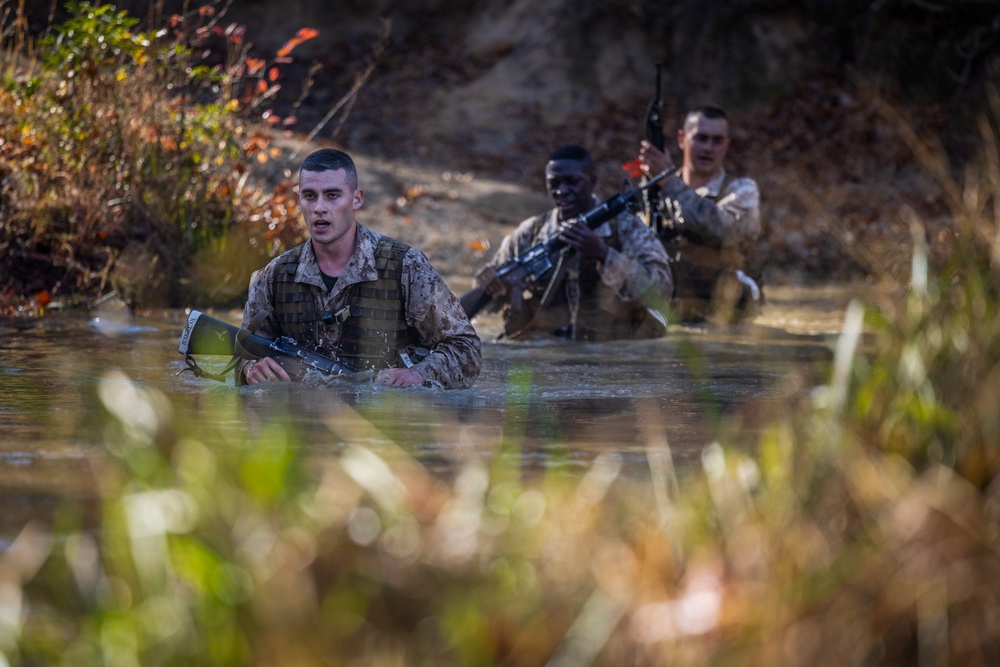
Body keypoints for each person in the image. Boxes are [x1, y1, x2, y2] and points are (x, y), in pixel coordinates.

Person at [238, 148, 482, 389]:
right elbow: (244, 351)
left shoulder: (406, 267)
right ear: (299, 201)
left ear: (357, 199)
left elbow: (466, 349)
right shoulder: (274, 276)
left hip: (385, 418)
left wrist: (418, 375)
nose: (319, 207)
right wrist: (250, 370)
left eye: (332, 195)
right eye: (310, 196)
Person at [476, 145, 673, 341]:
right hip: (545, 351)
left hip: (612, 351)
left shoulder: (625, 228)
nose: (562, 190)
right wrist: (492, 283)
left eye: (572, 182)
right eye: (554, 183)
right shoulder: (530, 233)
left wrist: (605, 255)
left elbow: (662, 291)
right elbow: (486, 298)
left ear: (592, 181)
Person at [638, 104, 762, 323]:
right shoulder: (655, 190)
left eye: (717, 141)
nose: (708, 148)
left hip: (727, 316)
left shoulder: (742, 190)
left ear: (727, 145)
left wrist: (670, 182)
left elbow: (724, 230)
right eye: (701, 138)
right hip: (672, 314)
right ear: (682, 139)